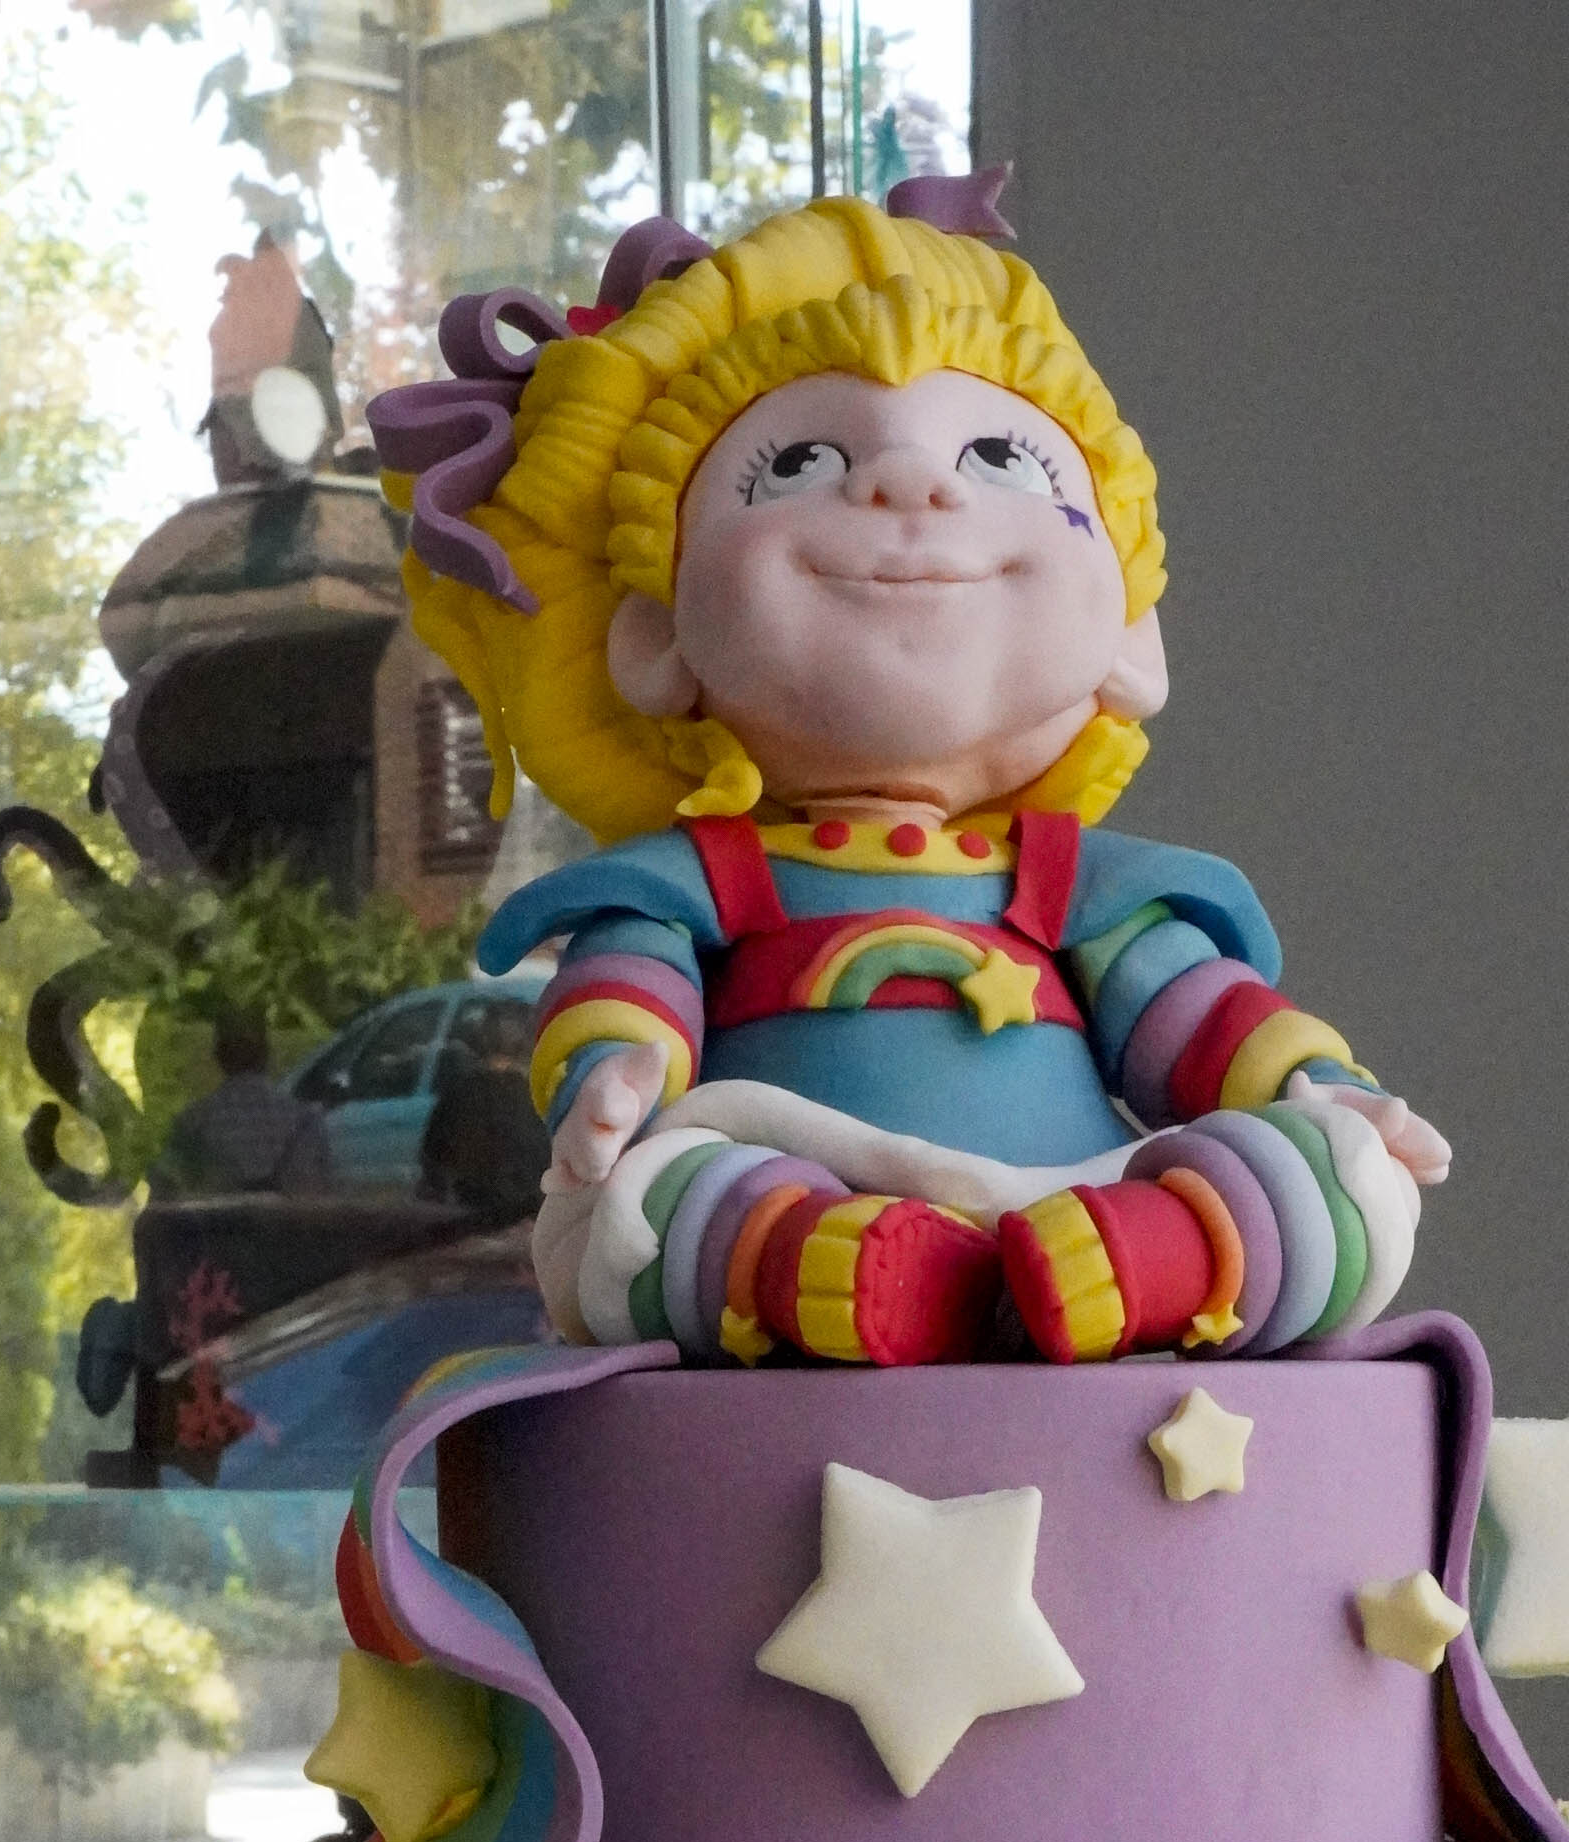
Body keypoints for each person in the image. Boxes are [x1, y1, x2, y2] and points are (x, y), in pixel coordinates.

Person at [368, 183, 1449, 1368]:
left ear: (1130, 641)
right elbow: (632, 982)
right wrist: (612, 1072)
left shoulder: (1070, 884)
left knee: (1342, 1182)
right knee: (648, 1208)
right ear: (654, 637)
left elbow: (1189, 1013)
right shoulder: (709, 880)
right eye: (796, 462)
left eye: (999, 457)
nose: (910, 483)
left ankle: (1150, 1261)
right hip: (788, 1173)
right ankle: (815, 1268)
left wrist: (1312, 1082)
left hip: (1075, 1196)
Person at [159, 1013, 331, 1197]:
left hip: (215, 1214)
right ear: (266, 1053)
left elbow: (170, 1192)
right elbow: (315, 1189)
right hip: (284, 1214)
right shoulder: (304, 1120)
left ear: (219, 1056)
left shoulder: (193, 1122)